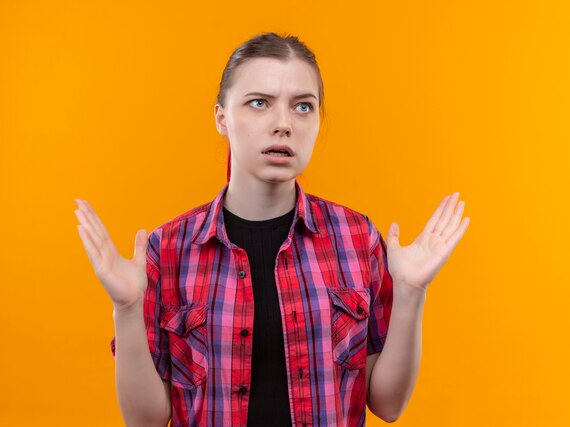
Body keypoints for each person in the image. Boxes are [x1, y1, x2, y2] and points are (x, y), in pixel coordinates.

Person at [74, 32, 470, 427]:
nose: (283, 125)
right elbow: (145, 421)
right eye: (259, 103)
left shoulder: (357, 238)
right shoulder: (169, 249)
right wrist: (126, 310)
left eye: (303, 106)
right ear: (221, 117)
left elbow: (388, 405)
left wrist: (411, 294)